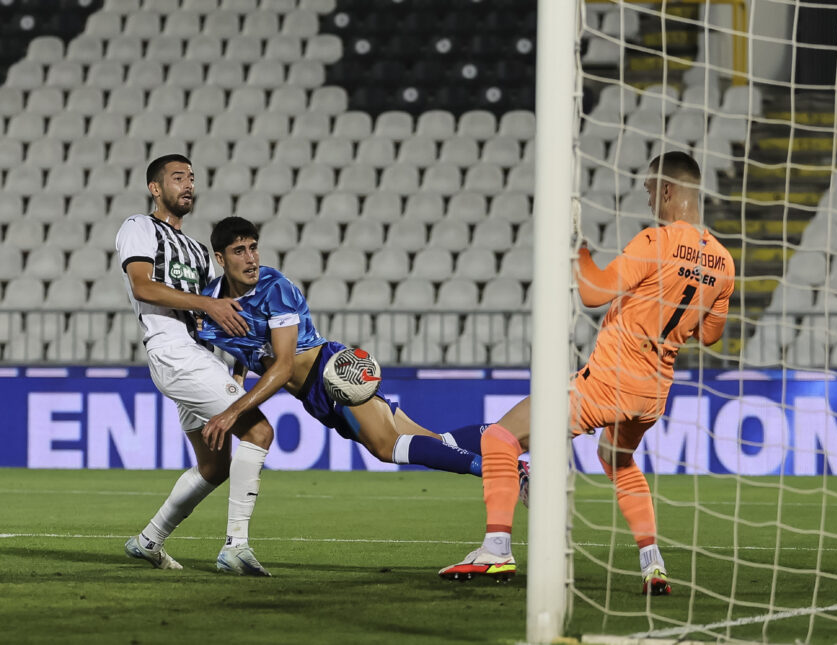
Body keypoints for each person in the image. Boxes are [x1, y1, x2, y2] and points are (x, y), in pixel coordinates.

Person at [439, 151, 736, 595]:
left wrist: (575, 246)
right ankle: (652, 562)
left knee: (499, 438)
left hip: (610, 381)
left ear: (669, 189)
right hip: (654, 392)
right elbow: (710, 334)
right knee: (617, 459)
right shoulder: (725, 262)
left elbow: (595, 291)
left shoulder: (656, 242)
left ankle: (497, 548)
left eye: (651, 189)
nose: (649, 198)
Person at [196, 216, 490, 475]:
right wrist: (238, 377)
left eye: (253, 247)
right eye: (239, 251)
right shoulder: (212, 303)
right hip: (313, 396)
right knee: (435, 442)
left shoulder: (275, 288)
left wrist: (233, 410)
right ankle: (500, 442)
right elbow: (247, 342)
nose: (251, 258)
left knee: (385, 448)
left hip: (333, 372)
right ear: (220, 259)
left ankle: (503, 471)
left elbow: (283, 367)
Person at [116, 154, 273, 576]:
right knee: (258, 430)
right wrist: (206, 303)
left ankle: (148, 541)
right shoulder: (139, 227)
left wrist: (239, 361)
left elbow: (213, 319)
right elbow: (142, 285)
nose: (188, 185)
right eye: (177, 177)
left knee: (213, 465)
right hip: (171, 349)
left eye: (192, 178)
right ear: (155, 188)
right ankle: (235, 547)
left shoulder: (199, 252)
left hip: (196, 354)